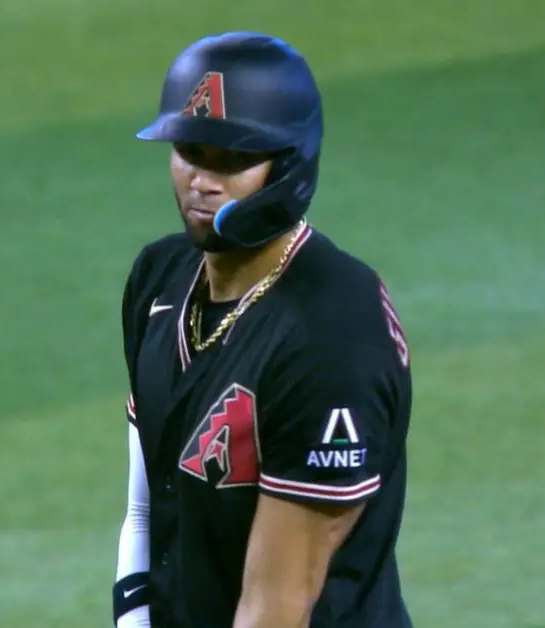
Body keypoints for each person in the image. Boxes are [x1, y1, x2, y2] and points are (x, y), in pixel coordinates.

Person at [111, 32, 415, 628]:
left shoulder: (332, 335)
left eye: (233, 161)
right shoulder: (161, 280)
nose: (203, 180)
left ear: (291, 164)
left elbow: (278, 604)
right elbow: (146, 509)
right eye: (190, 152)